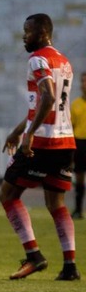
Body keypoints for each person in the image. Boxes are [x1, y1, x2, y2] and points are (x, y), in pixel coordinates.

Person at [0, 13, 80, 281]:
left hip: (44, 140)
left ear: (43, 33)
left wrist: (30, 135)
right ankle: (70, 266)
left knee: (8, 195)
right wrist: (18, 130)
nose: (24, 35)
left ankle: (34, 256)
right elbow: (45, 105)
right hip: (66, 141)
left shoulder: (37, 59)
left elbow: (48, 96)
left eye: (28, 31)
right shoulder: (64, 61)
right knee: (56, 202)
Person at [70, 72, 86, 219]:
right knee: (79, 178)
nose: (84, 85)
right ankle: (78, 210)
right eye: (83, 82)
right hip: (80, 143)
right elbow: (71, 127)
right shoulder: (75, 104)